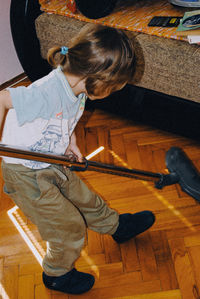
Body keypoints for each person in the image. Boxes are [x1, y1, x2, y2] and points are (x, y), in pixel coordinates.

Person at [0, 24, 155, 295]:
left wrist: (69, 142)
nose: (113, 93)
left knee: (85, 199)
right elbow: (1, 99)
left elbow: (65, 119)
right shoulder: (46, 93)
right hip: (25, 173)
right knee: (66, 226)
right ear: (98, 79)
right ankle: (57, 274)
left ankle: (117, 227)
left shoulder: (76, 87)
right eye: (113, 88)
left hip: (50, 160)